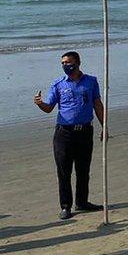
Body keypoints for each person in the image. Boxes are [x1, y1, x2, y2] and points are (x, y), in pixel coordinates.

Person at [33, 51, 105, 220]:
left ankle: (82, 202)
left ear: (78, 62)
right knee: (64, 170)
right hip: (64, 133)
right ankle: (65, 206)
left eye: (69, 62)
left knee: (83, 169)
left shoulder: (91, 81)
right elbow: (49, 107)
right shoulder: (58, 84)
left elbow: (98, 105)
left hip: (85, 131)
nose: (66, 65)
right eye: (63, 63)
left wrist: (105, 126)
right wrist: (39, 103)